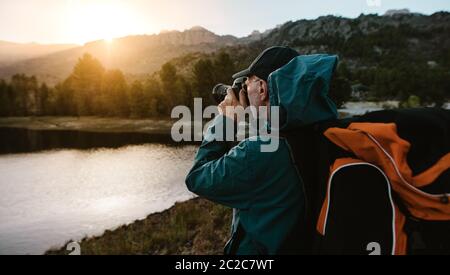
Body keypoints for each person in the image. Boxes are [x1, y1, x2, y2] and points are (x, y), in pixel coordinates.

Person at [185, 46, 339, 254]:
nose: (244, 90)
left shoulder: (259, 152)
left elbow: (197, 177)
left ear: (263, 89)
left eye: (247, 82)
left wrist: (226, 120)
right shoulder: (322, 134)